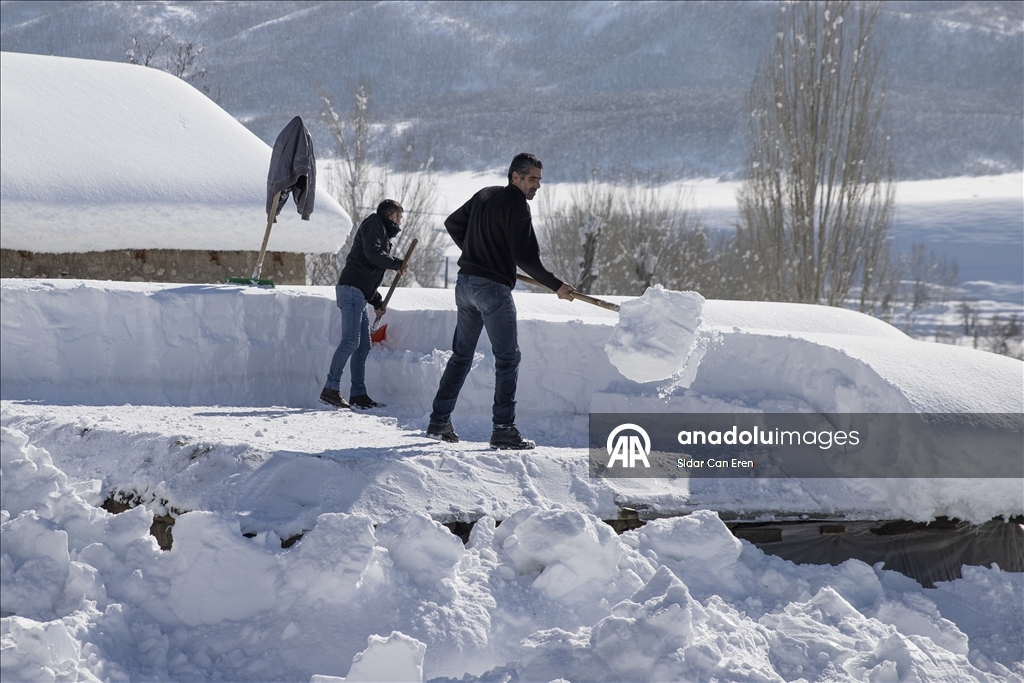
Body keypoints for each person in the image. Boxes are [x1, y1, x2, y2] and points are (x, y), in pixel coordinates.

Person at [426, 153, 576, 449]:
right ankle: (504, 429)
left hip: (465, 284)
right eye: (532, 179)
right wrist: (556, 286)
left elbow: (453, 223)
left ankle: (439, 421)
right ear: (515, 177)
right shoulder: (517, 205)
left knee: (461, 355)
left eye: (539, 180)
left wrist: (476, 252)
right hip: (492, 289)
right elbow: (525, 257)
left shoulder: (485, 195)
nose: (537, 186)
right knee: (508, 358)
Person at [320, 199, 407, 409]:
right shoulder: (375, 224)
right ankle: (330, 389)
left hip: (358, 291)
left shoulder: (381, 231)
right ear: (393, 216)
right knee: (351, 341)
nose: (400, 222)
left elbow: (366, 272)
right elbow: (373, 255)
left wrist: (377, 301)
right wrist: (397, 264)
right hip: (351, 290)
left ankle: (358, 394)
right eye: (400, 218)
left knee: (363, 345)